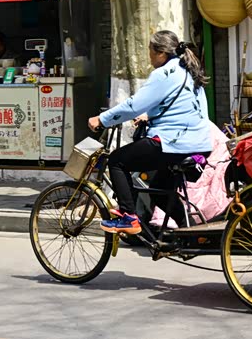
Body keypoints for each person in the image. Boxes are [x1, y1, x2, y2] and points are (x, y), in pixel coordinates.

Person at [87, 31, 213, 235]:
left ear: (161, 52)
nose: (149, 56)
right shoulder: (188, 70)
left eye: (150, 51)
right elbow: (183, 107)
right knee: (160, 189)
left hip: (174, 142)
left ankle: (128, 217)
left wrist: (102, 119)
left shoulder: (164, 73)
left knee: (117, 161)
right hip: (200, 145)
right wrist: (149, 116)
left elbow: (133, 105)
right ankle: (189, 234)